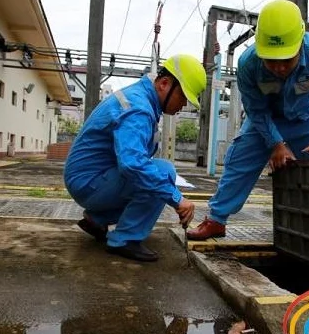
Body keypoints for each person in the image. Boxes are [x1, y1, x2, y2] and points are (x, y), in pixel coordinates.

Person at [187, 0, 309, 241]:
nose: (279, 68)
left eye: (286, 60)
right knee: (240, 158)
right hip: (267, 118)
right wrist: (276, 144)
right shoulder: (248, 63)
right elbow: (256, 110)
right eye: (271, 60)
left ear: (300, 44)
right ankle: (216, 220)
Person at [64, 54, 207, 262]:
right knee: (163, 173)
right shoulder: (138, 108)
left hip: (88, 179)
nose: (183, 105)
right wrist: (176, 198)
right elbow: (133, 165)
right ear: (164, 84)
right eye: (183, 96)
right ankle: (125, 240)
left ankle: (97, 219)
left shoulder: (140, 99)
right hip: (89, 182)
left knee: (155, 174)